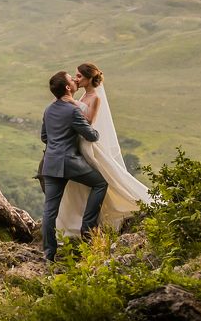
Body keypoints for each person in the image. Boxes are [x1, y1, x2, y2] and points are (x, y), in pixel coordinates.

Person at [56, 63, 151, 236]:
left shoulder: (95, 97)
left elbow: (89, 122)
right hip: (78, 144)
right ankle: (78, 224)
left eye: (79, 76)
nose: (77, 79)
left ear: (89, 78)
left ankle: (93, 222)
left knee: (105, 178)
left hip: (87, 145)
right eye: (75, 76)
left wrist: (72, 104)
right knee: (84, 184)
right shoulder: (85, 95)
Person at [40, 71, 108, 262]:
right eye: (72, 79)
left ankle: (49, 253)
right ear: (68, 88)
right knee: (100, 184)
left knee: (49, 211)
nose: (75, 80)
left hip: (51, 164)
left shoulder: (48, 109)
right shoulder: (72, 110)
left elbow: (44, 137)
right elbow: (91, 136)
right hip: (70, 162)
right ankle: (87, 228)